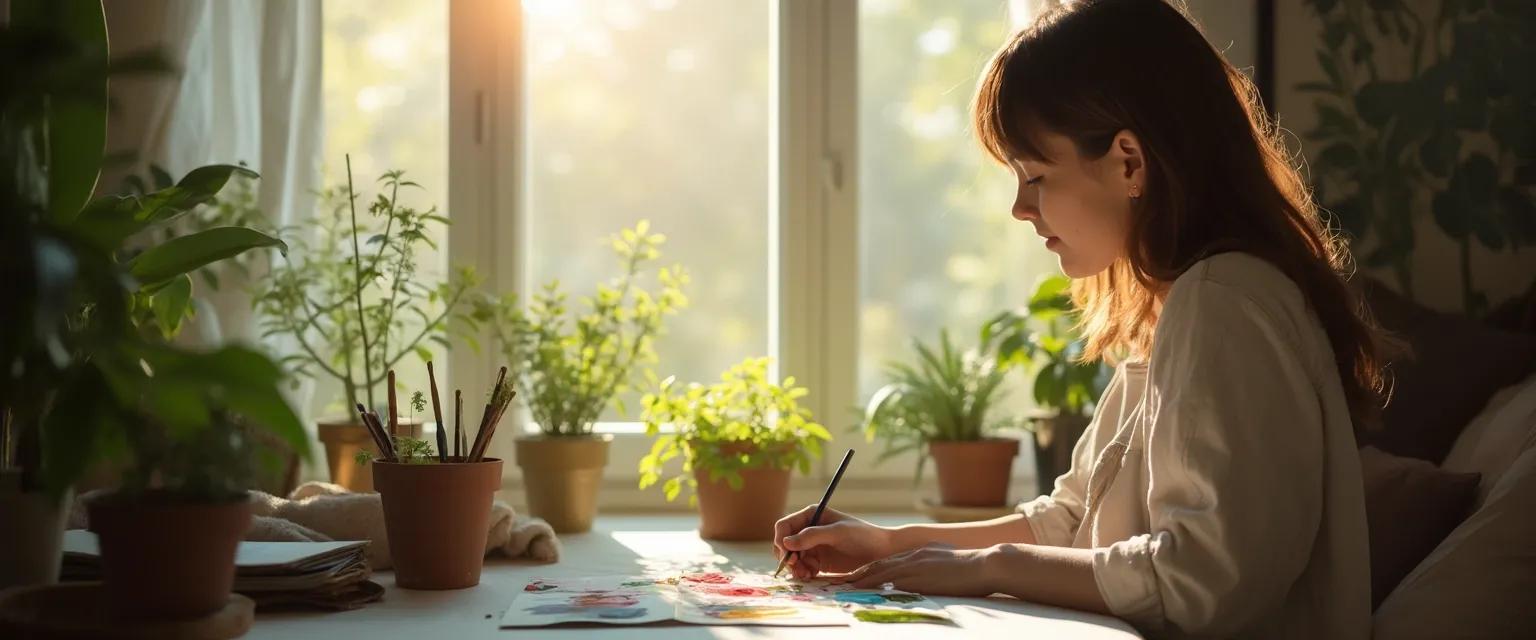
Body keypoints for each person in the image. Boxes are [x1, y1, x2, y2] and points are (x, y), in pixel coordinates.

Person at [772, 1, 1393, 637]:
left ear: (1129, 161)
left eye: (1035, 175)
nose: (1020, 207)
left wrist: (992, 567)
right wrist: (891, 545)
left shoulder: (1224, 302)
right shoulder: (1186, 304)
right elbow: (1071, 520)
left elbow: (1207, 580)